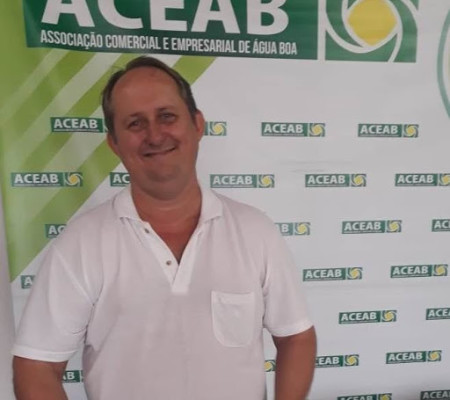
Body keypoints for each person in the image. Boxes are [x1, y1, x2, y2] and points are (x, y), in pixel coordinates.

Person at [12, 56, 316, 400]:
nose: (154, 135)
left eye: (167, 116)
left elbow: (296, 336)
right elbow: (36, 365)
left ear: (197, 124)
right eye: (135, 123)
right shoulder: (80, 244)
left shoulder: (255, 231)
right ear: (114, 143)